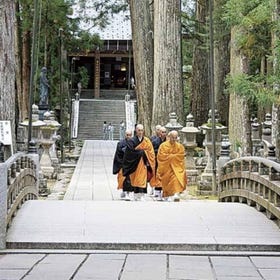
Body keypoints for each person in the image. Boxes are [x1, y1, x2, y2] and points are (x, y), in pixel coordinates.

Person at [122, 124, 155, 201]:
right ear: (136, 131)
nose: (140, 132)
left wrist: (144, 154)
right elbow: (129, 153)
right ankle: (135, 193)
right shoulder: (131, 141)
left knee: (142, 179)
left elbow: (150, 152)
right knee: (134, 178)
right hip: (134, 164)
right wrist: (141, 152)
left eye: (142, 130)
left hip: (143, 163)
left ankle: (142, 194)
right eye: (139, 130)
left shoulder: (146, 141)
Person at [157, 130, 187, 202]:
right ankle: (169, 194)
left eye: (175, 137)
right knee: (167, 181)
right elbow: (161, 156)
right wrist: (172, 157)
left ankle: (176, 193)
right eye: (172, 137)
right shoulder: (163, 146)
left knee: (176, 178)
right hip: (166, 167)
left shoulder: (180, 146)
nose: (174, 139)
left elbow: (181, 156)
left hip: (176, 167)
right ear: (169, 137)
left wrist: (172, 157)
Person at [112, 130, 133, 200]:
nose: (129, 136)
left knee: (129, 179)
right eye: (127, 135)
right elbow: (117, 154)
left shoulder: (134, 143)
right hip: (122, 164)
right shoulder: (120, 143)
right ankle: (124, 191)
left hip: (130, 164)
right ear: (125, 135)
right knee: (123, 179)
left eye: (130, 135)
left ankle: (127, 193)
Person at [150, 126, 167, 200]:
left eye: (165, 132)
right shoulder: (155, 141)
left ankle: (165, 192)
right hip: (158, 161)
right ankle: (157, 191)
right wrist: (160, 153)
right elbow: (152, 152)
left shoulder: (168, 142)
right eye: (162, 132)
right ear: (159, 133)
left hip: (166, 162)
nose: (164, 134)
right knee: (158, 175)